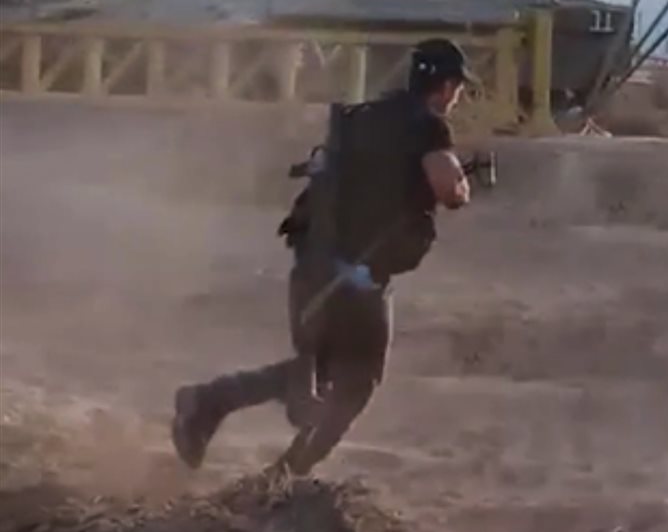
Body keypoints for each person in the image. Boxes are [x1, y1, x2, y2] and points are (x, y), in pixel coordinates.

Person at [171, 38, 475, 476]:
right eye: (457, 88)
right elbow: (448, 189)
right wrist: (463, 184)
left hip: (317, 262)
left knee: (324, 372)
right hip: (359, 276)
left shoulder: (365, 116)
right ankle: (284, 474)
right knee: (357, 381)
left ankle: (211, 402)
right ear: (446, 87)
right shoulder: (428, 126)